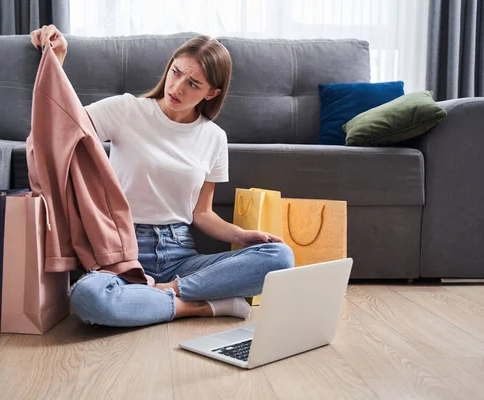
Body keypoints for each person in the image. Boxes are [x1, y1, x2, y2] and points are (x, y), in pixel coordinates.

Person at [30, 25, 295, 327]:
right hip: (124, 252)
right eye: (176, 72)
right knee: (88, 298)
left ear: (212, 93)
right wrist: (57, 62)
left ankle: (163, 294)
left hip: (181, 255)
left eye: (194, 84)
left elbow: (201, 213)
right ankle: (198, 307)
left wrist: (241, 236)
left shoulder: (214, 138)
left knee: (280, 258)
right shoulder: (127, 110)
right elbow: (61, 126)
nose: (178, 87)